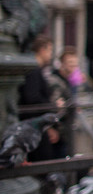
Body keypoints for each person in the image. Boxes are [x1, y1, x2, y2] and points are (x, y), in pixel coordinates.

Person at [17, 35, 67, 163]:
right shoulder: (33, 70)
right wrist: (54, 105)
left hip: (35, 127)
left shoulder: (33, 69)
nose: (51, 55)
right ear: (42, 50)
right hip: (34, 129)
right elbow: (33, 99)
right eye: (50, 50)